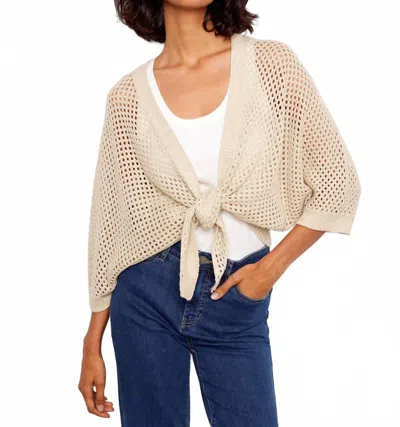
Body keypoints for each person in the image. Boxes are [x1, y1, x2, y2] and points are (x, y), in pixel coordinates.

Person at [78, 1, 361, 426]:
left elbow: (338, 184)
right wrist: (92, 340)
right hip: (144, 295)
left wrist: (268, 270)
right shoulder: (127, 97)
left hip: (238, 290)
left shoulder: (272, 66)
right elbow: (110, 223)